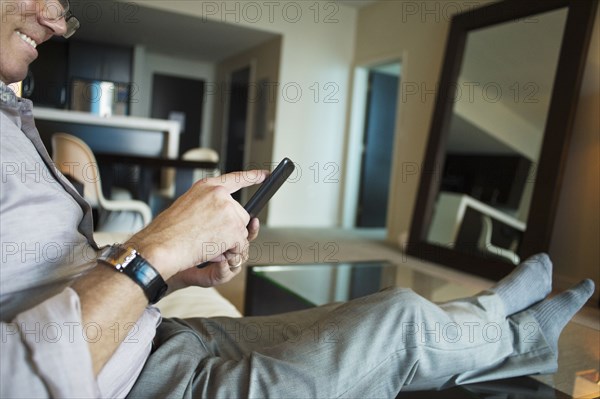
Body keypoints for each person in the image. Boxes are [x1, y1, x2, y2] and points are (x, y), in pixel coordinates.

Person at [0, 1, 594, 397]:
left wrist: (175, 273)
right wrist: (156, 247)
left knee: (375, 308)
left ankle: (491, 314)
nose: (55, 20)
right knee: (398, 322)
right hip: (133, 383)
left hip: (144, 335)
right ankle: (515, 336)